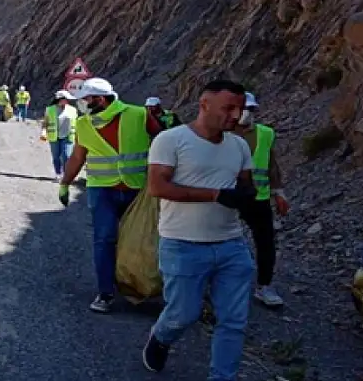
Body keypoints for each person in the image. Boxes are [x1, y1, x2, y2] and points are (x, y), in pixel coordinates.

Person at [142, 79, 257, 381]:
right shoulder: (171, 140)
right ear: (204, 103)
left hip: (232, 244)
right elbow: (157, 186)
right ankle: (162, 337)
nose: (235, 115)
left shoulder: (240, 145)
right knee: (183, 314)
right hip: (182, 244)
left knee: (234, 321)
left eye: (240, 109)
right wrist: (216, 195)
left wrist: (248, 195)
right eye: (228, 108)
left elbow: (246, 184)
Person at [58, 76, 163, 313]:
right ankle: (106, 293)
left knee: (140, 239)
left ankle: (142, 287)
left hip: (137, 190)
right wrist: (65, 183)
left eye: (85, 99)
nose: (81, 104)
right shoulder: (84, 124)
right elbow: (77, 157)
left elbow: (163, 141)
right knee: (104, 240)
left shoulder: (138, 114)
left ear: (101, 99)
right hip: (101, 190)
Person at [232, 92, 289, 308]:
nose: (248, 114)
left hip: (258, 198)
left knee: (265, 242)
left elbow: (271, 165)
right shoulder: (221, 134)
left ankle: (264, 285)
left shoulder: (265, 133)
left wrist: (278, 192)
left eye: (252, 110)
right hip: (227, 196)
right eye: (245, 109)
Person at [40, 90, 78, 179]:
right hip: (54, 137)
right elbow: (45, 122)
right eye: (66, 99)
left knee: (67, 156)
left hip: (68, 136)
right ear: (60, 99)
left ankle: (66, 174)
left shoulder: (72, 110)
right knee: (56, 157)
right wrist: (44, 132)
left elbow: (77, 123)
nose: (68, 101)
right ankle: (58, 173)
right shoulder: (50, 109)